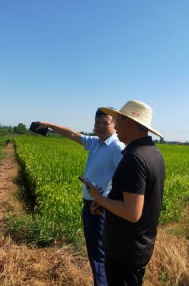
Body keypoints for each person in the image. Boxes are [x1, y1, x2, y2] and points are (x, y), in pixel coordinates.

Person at [34, 108, 125, 286]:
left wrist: (105, 201)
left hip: (100, 209)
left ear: (115, 125)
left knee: (100, 256)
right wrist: (49, 125)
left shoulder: (116, 147)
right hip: (90, 207)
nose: (100, 126)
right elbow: (73, 134)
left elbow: (128, 178)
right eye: (97, 122)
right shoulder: (96, 142)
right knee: (95, 254)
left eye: (105, 123)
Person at [85, 100, 166, 286]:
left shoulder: (134, 158)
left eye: (118, 120)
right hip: (138, 247)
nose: (116, 124)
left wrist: (97, 197)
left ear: (128, 122)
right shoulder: (154, 153)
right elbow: (133, 198)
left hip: (124, 251)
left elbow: (132, 212)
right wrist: (106, 202)